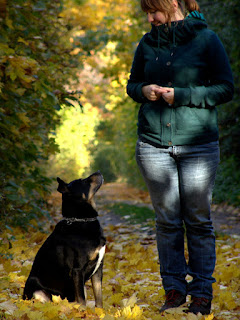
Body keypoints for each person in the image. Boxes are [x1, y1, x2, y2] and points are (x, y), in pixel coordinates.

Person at [127, 0, 234, 315]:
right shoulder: (147, 43)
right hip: (153, 144)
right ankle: (174, 292)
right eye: (146, 12)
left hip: (198, 145)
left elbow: (225, 88)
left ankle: (201, 295)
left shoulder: (206, 39)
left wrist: (184, 96)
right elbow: (132, 85)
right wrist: (143, 89)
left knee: (198, 221)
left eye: (153, 11)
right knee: (167, 222)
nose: (149, 18)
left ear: (172, 4)